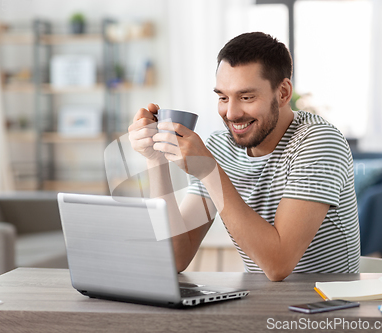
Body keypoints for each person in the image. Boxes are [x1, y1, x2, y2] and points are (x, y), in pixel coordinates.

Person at [128, 32, 360, 281]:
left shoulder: (319, 142)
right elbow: (175, 256)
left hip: (328, 306)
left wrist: (209, 170)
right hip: (261, 301)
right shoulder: (220, 146)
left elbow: (278, 264)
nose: (231, 113)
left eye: (247, 97)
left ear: (283, 93)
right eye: (222, 97)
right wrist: (155, 159)